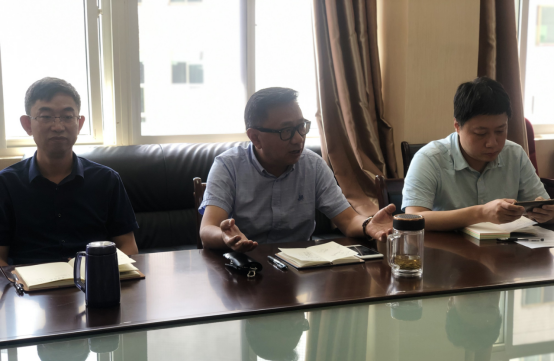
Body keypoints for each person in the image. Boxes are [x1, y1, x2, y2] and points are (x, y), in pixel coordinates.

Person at [199, 87, 396, 252]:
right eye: (286, 131)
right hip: (246, 264)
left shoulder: (313, 165)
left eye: (301, 126)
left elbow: (348, 220)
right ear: (255, 138)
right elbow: (208, 229)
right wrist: (225, 237)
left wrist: (368, 224)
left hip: (300, 269)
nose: (298, 139)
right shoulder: (228, 166)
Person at [0, 78, 139, 266]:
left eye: (67, 116)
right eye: (45, 116)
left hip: (94, 279)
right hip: (29, 282)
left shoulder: (107, 180)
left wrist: (109, 277)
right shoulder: (6, 184)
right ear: (27, 124)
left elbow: (127, 245)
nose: (58, 127)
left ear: (79, 123)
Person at [403, 77, 554, 231]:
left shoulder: (515, 154)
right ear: (457, 126)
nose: (492, 143)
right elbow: (413, 218)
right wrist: (481, 213)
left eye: (500, 131)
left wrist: (546, 215)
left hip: (506, 245)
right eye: (481, 133)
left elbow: (544, 207)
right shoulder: (429, 158)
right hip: (448, 245)